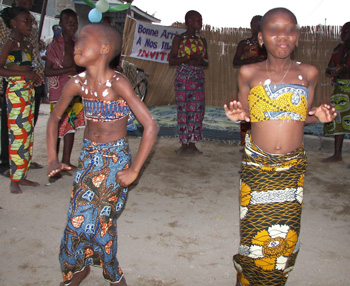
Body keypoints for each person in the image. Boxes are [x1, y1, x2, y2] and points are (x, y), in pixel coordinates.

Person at [224, 8, 337, 286]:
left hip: (291, 169)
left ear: (297, 35)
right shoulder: (248, 72)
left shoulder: (307, 73)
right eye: (274, 30)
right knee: (253, 235)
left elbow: (303, 116)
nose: (282, 36)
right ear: (261, 37)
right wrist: (239, 115)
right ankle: (245, 278)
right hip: (257, 168)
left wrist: (318, 115)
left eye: (289, 29)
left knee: (285, 236)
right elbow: (247, 113)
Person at [46, 23, 158, 285]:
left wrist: (134, 170)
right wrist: (53, 157)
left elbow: (150, 125)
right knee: (77, 220)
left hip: (114, 159)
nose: (77, 45)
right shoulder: (77, 84)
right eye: (77, 41)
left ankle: (113, 273)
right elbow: (53, 119)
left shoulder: (118, 83)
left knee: (103, 220)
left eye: (84, 40)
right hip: (88, 158)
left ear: (105, 49)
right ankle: (79, 267)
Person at [0, 6, 44, 194]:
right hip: (16, 92)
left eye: (31, 21)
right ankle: (14, 181)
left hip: (28, 91)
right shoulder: (10, 43)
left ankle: (22, 176)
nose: (30, 24)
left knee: (27, 134)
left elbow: (28, 67)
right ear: (13, 23)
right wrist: (25, 76)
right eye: (26, 21)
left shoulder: (26, 43)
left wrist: (33, 76)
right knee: (17, 136)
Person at [45, 9, 85, 172]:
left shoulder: (78, 43)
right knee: (57, 125)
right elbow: (47, 71)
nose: (73, 27)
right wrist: (69, 69)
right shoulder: (55, 46)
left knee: (72, 125)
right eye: (69, 23)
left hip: (76, 90)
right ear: (61, 24)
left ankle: (66, 160)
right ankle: (53, 161)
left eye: (75, 23)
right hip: (59, 92)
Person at [169, 10, 208, 154]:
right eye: (198, 20)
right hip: (183, 79)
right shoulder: (179, 39)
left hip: (198, 79)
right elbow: (172, 60)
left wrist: (199, 61)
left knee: (197, 111)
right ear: (189, 21)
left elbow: (206, 62)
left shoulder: (202, 41)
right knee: (183, 110)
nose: (201, 23)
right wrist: (188, 58)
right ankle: (183, 144)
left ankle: (192, 143)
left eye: (201, 20)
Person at [233, 15, 267, 148]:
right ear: (251, 26)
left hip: (264, 83)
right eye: (255, 25)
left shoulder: (268, 43)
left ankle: (261, 144)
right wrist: (247, 61)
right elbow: (235, 61)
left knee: (263, 113)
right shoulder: (244, 43)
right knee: (246, 113)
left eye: (260, 25)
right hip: (247, 83)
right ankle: (246, 144)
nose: (257, 27)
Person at [322, 21, 350, 163]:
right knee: (337, 120)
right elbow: (328, 68)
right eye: (343, 31)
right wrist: (334, 70)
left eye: (347, 31)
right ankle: (337, 154)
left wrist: (345, 68)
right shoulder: (338, 49)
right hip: (340, 90)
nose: (343, 34)